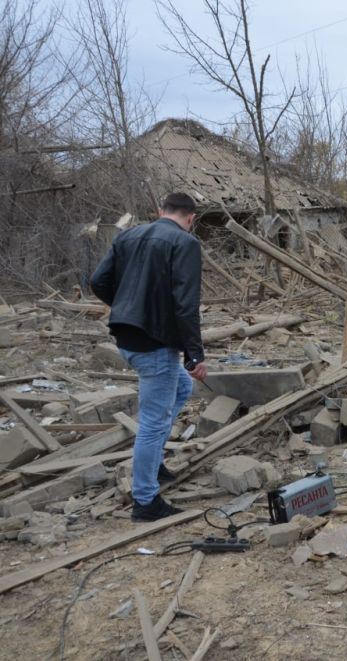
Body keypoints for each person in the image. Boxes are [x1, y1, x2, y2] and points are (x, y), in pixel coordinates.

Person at [90, 192, 207, 522]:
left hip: (126, 337)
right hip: (154, 344)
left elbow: (98, 280)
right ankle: (145, 500)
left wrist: (126, 305)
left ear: (160, 212)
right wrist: (195, 354)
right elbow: (186, 304)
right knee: (153, 424)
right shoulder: (184, 243)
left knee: (181, 389)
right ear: (191, 218)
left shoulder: (128, 235)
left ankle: (153, 463)